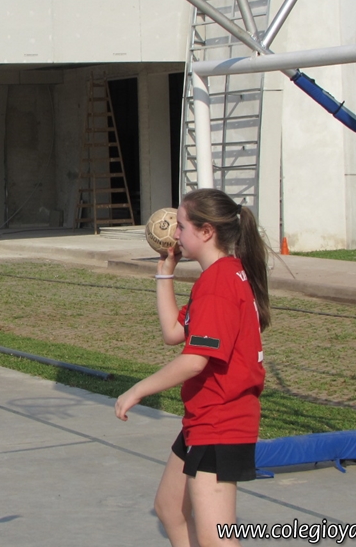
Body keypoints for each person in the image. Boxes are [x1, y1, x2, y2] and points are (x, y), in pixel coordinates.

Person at [115, 188, 270, 547]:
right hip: (202, 419)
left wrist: (138, 389)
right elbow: (174, 332)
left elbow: (194, 360)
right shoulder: (224, 274)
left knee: (216, 538)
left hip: (221, 420)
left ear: (206, 231)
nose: (175, 234)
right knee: (170, 508)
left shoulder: (217, 284)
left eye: (181, 226)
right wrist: (164, 274)